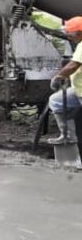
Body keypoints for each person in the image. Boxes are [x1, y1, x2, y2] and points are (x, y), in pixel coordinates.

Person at [46, 16, 82, 145]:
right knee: (56, 101)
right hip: (79, 90)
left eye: (70, 33)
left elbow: (73, 65)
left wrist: (59, 76)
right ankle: (68, 136)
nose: (68, 36)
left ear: (79, 32)